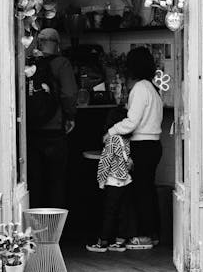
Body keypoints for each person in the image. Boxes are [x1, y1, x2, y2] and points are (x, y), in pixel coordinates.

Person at [106, 47, 163, 250]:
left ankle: (145, 235)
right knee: (148, 190)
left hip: (142, 145)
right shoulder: (152, 89)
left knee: (141, 192)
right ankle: (153, 233)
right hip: (154, 144)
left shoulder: (139, 88)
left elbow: (131, 122)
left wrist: (111, 131)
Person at [26, 27, 78, 208]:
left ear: (39, 43)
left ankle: (34, 229)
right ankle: (56, 230)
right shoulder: (62, 63)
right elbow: (69, 94)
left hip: (31, 132)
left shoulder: (28, 64)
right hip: (54, 131)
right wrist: (70, 116)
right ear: (57, 45)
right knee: (56, 182)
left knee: (34, 182)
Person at [86, 107, 134, 253]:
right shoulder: (126, 139)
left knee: (109, 211)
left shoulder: (112, 139)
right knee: (123, 212)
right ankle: (120, 241)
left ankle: (103, 241)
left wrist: (101, 180)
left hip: (113, 180)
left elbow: (105, 162)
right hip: (126, 179)